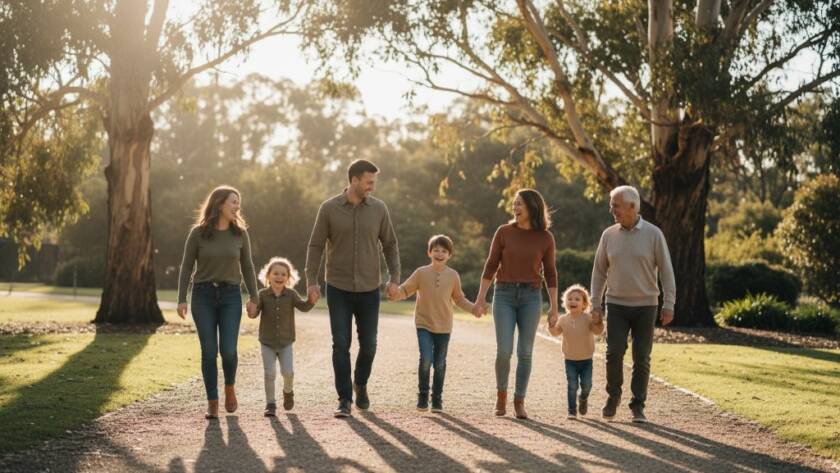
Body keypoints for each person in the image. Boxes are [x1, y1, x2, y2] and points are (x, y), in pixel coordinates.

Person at [304, 159, 401, 418]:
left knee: (369, 345)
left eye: (373, 182)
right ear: (354, 180)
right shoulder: (329, 209)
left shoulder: (379, 209)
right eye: (368, 182)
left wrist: (395, 277)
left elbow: (390, 245)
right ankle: (344, 398)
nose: (372, 187)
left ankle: (360, 383)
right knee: (341, 344)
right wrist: (311, 281)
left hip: (370, 288)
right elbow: (315, 246)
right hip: (339, 287)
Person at [590, 185, 676, 423]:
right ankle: (613, 395)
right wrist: (595, 303)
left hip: (646, 305)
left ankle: (638, 405)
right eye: (611, 205)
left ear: (632, 206)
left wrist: (668, 303)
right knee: (614, 352)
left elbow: (667, 272)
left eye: (615, 205)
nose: (612, 210)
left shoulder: (654, 234)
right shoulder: (608, 235)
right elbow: (599, 272)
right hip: (616, 304)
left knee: (642, 357)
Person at [474, 188, 559, 420]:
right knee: (504, 350)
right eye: (514, 204)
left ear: (532, 207)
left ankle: (519, 400)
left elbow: (550, 273)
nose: (515, 208)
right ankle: (501, 395)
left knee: (525, 352)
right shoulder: (504, 232)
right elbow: (491, 265)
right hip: (504, 295)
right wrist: (481, 297)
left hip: (531, 297)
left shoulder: (545, 238)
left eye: (520, 204)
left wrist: (553, 307)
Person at [176, 185, 258, 419]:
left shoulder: (240, 234)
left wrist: (254, 297)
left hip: (231, 296)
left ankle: (229, 387)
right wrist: (182, 298)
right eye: (233, 201)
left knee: (229, 351)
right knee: (209, 351)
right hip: (203, 296)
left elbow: (248, 267)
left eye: (238, 202)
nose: (237, 206)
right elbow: (186, 266)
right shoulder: (198, 233)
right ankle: (212, 401)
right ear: (219, 203)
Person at [389, 234, 477, 413]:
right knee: (426, 359)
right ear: (429, 252)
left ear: (449, 255)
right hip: (424, 324)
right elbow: (406, 289)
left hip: (444, 326)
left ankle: (437, 398)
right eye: (436, 250)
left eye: (444, 251)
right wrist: (395, 293)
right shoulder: (421, 272)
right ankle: (422, 396)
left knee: (440, 363)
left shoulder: (453, 276)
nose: (440, 253)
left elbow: (459, 299)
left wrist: (474, 309)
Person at [249, 257, 314, 416]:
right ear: (268, 276)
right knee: (269, 373)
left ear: (288, 277)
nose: (279, 277)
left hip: (286, 342)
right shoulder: (262, 294)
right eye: (275, 273)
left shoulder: (291, 294)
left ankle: (288, 391)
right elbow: (255, 313)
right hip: (267, 342)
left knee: (288, 372)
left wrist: (311, 301)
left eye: (283, 274)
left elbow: (303, 307)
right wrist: (251, 310)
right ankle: (270, 404)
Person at [548, 284, 604, 419]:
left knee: (587, 385)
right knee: (572, 385)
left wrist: (599, 322)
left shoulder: (588, 318)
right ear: (565, 302)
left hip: (586, 360)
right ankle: (572, 411)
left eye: (577, 299)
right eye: (570, 299)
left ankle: (583, 398)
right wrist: (551, 325)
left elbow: (598, 331)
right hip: (570, 360)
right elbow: (556, 333)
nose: (573, 301)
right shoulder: (563, 319)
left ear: (584, 304)